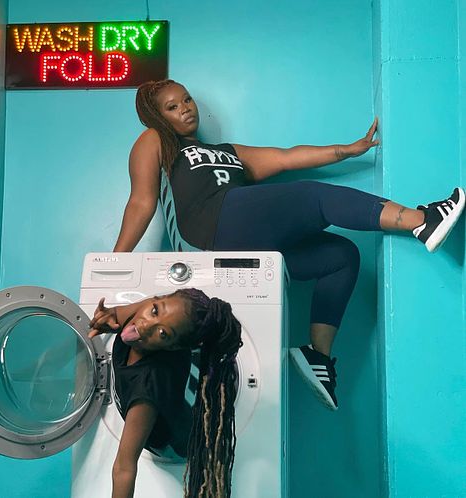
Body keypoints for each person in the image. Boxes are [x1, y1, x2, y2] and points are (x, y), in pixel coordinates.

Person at [113, 79, 465, 411]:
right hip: (211, 231)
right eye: (172, 107)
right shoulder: (156, 140)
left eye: (187, 100)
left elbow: (286, 158)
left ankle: (318, 357)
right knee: (313, 196)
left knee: (341, 256)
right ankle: (422, 221)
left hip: (243, 243)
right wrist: (115, 262)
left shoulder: (227, 151)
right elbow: (141, 202)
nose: (186, 109)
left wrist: (347, 150)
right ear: (159, 116)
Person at [88, 288, 242, 498]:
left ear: (173, 347)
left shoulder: (146, 394)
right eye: (154, 311)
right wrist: (108, 316)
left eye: (163, 333)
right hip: (171, 387)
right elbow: (117, 315)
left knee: (166, 435)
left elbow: (124, 468)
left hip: (174, 439)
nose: (145, 325)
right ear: (156, 300)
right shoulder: (141, 315)